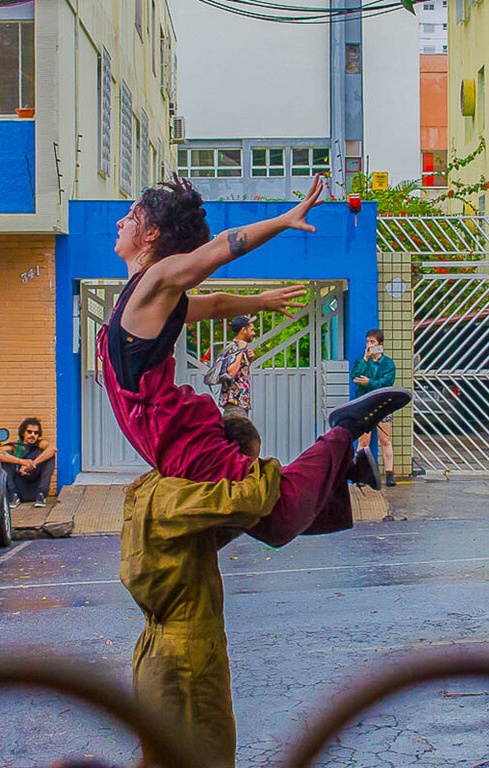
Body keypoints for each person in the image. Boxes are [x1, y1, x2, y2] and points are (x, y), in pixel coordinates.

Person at [97, 173, 411, 546]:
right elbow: (213, 305)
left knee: (274, 519)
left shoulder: (156, 281)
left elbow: (221, 248)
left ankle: (345, 429)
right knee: (255, 517)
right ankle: (344, 464)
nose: (120, 222)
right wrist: (260, 302)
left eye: (130, 217)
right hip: (169, 441)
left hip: (180, 439)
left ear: (150, 234)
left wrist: (283, 219)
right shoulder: (145, 298)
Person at [122, 416, 382, 768]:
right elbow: (251, 498)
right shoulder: (171, 497)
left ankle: (343, 467)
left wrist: (333, 475)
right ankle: (344, 433)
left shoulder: (163, 491)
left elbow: (228, 523)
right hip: (184, 655)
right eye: (241, 463)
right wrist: (266, 468)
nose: (243, 470)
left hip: (172, 648)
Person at [351, 329, 398, 487]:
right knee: (364, 440)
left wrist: (369, 382)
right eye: (368, 342)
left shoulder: (388, 363)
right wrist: (365, 358)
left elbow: (386, 383)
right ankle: (361, 475)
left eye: (373, 342)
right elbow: (355, 376)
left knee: (385, 439)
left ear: (380, 345)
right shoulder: (362, 361)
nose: (369, 345)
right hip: (365, 405)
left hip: (383, 405)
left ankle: (390, 473)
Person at [0, 417, 56, 508]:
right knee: (5, 458)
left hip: (35, 489)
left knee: (50, 456)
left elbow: (52, 449)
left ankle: (42, 494)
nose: (32, 435)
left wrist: (32, 464)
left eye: (36, 433)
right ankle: (13, 496)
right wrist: (22, 462)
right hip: (18, 488)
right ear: (23, 432)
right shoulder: (16, 446)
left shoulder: (40, 444)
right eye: (29, 432)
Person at [218, 315, 256, 418]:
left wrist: (249, 361)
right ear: (244, 330)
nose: (254, 333)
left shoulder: (240, 348)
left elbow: (239, 374)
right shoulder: (234, 347)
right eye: (251, 330)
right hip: (234, 402)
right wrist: (240, 351)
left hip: (239, 402)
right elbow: (230, 373)